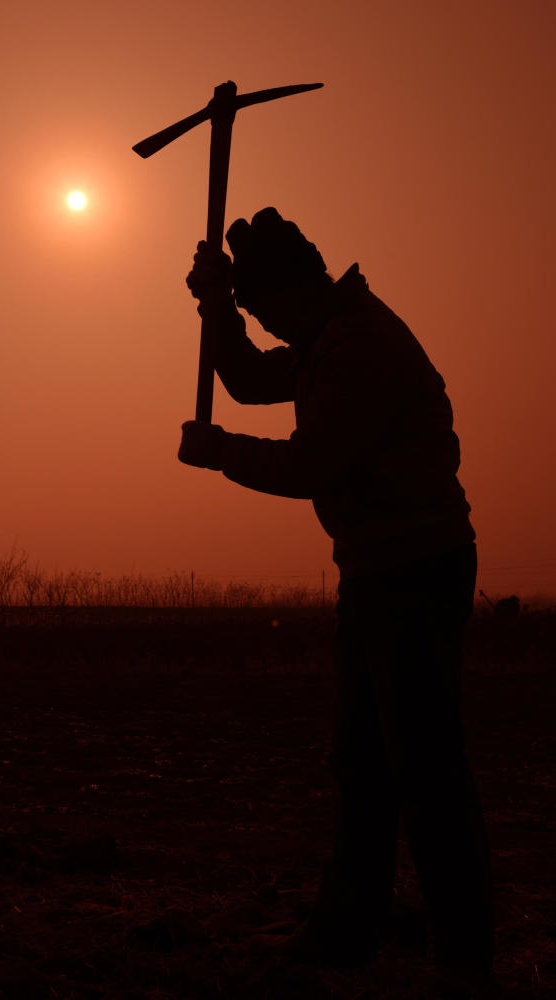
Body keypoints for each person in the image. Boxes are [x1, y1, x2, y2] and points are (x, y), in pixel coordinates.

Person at [178, 208, 495, 996]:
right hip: (375, 569)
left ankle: (461, 954)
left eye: (258, 307)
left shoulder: (357, 345)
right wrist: (216, 311)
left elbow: (310, 463)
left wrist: (219, 454)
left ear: (291, 291)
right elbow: (251, 381)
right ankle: (348, 929)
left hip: (414, 569)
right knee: (361, 761)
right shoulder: (325, 335)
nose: (261, 322)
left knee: (423, 764)